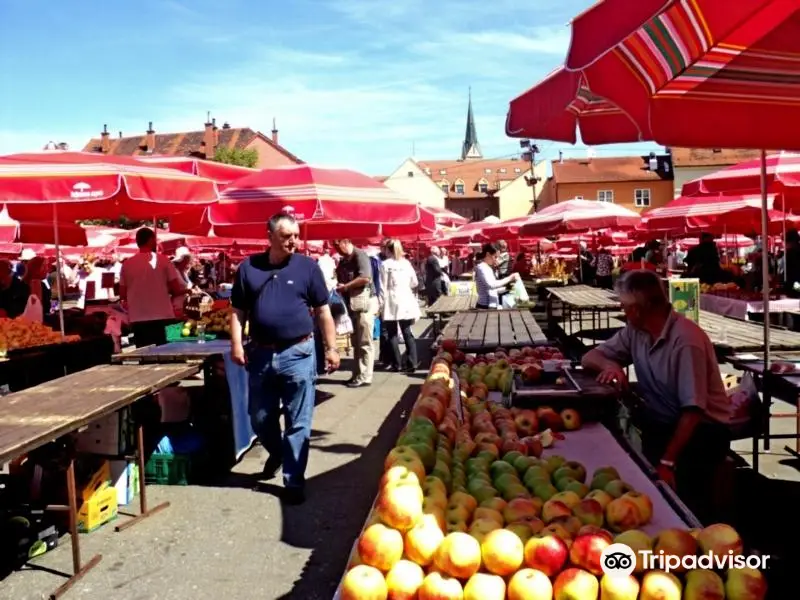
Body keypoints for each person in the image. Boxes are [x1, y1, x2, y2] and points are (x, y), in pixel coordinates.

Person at [581, 270, 731, 523]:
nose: (622, 310)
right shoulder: (635, 331)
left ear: (641, 308)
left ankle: (701, 546)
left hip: (701, 431)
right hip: (662, 420)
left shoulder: (686, 341)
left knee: (686, 504)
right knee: (649, 491)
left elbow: (693, 410)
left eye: (625, 306)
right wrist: (610, 366)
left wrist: (668, 461)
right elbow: (589, 357)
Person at [230, 212, 339, 505]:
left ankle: (293, 480)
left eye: (296, 235)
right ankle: (277, 452)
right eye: (287, 236)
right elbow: (238, 311)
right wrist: (236, 345)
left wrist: (331, 347)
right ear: (270, 237)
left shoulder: (308, 268)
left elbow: (323, 311)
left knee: (298, 420)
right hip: (261, 353)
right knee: (259, 417)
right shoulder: (248, 268)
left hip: (299, 352)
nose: (294, 241)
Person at [119, 228, 188, 348]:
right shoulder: (164, 261)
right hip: (165, 315)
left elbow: (122, 293)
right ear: (151, 240)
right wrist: (188, 290)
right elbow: (176, 289)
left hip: (138, 319)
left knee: (145, 357)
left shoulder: (127, 264)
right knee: (172, 353)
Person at [335, 239, 376, 388]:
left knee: (365, 341)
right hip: (352, 304)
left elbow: (365, 278)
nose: (335, 249)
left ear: (345, 242)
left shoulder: (360, 256)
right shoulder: (344, 261)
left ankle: (365, 376)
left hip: (364, 304)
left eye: (336, 245)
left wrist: (345, 287)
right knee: (356, 342)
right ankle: (357, 374)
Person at [379, 239, 420, 372]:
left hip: (391, 300)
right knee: (407, 332)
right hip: (406, 299)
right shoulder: (406, 263)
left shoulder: (385, 265)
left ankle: (397, 364)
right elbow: (415, 282)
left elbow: (382, 287)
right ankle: (412, 362)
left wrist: (380, 304)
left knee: (392, 334)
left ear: (388, 250)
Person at [474, 243, 520, 309]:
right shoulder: (481, 267)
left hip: (491, 306)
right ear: (488, 254)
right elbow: (491, 285)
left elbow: (493, 290)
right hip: (484, 307)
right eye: (495, 257)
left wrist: (507, 288)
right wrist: (510, 278)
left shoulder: (487, 267)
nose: (496, 260)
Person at [21, 256, 51, 320]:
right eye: (44, 266)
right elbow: (36, 307)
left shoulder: (41, 284)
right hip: (33, 322)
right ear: (36, 268)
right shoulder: (34, 285)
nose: (47, 269)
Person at [172, 247, 196, 315]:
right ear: (181, 260)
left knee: (187, 324)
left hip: (187, 306)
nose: (188, 261)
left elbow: (187, 286)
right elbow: (172, 291)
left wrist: (193, 289)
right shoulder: (174, 272)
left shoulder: (184, 272)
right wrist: (188, 291)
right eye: (187, 259)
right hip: (177, 306)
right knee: (178, 325)